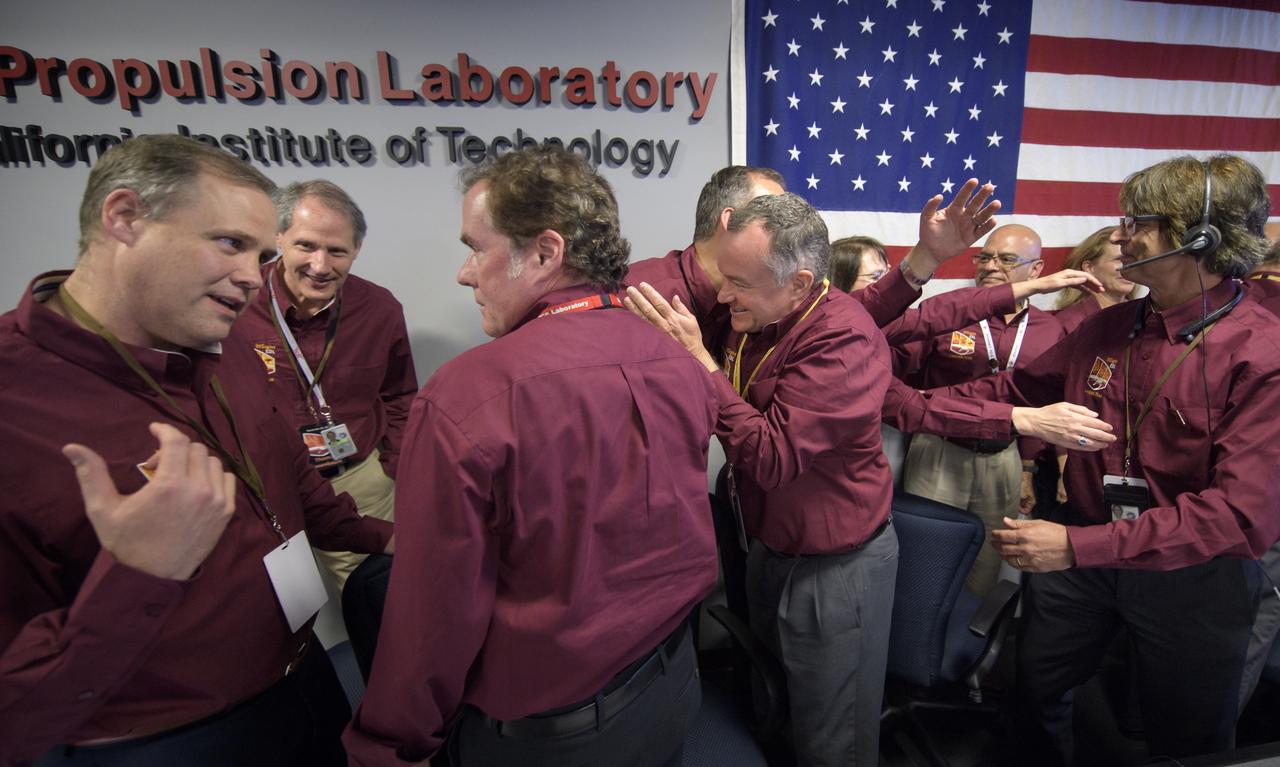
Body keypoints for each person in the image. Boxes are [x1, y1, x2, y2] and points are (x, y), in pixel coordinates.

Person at [0, 135, 393, 767]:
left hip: (304, 683)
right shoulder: (16, 401)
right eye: (230, 243)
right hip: (163, 741)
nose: (254, 276)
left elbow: (290, 481)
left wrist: (392, 538)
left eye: (262, 254)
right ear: (123, 217)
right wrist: (139, 574)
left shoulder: (228, 339)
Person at [343, 146, 719, 767]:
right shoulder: (680, 361)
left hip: (551, 738)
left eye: (476, 248)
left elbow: (432, 617)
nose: (465, 273)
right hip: (670, 686)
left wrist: (387, 747)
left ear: (545, 253)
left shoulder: (468, 396)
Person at [625, 187, 997, 767]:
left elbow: (772, 457)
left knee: (832, 738)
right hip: (770, 547)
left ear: (799, 284)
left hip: (835, 569)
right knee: (775, 705)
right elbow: (868, 303)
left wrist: (699, 362)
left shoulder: (842, 340)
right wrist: (923, 259)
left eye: (738, 284)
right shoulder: (768, 308)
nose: (722, 296)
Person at [941, 154, 1280, 764]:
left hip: (1194, 573)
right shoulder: (1112, 325)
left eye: (1137, 223)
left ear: (1200, 239)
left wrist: (1076, 547)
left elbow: (1238, 517)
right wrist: (898, 401)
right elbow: (1014, 391)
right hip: (1086, 552)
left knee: (1188, 734)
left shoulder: (1262, 351)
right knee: (1034, 688)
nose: (1120, 237)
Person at [227, 180, 417, 590]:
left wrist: (394, 468)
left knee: (380, 598)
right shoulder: (235, 302)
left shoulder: (379, 309)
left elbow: (400, 393)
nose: (320, 265)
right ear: (279, 238)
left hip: (356, 481)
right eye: (306, 246)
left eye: (337, 251)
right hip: (267, 487)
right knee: (284, 602)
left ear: (357, 250)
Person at [897, 223, 1065, 595]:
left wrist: (1027, 467)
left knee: (986, 565)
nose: (990, 266)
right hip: (940, 450)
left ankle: (970, 631)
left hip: (1003, 457)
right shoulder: (947, 313)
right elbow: (904, 376)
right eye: (985, 257)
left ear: (1036, 270)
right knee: (924, 564)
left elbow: (1042, 402)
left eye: (1006, 259)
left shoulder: (1049, 329)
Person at [1054, 226, 1139, 334]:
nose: (1130, 267)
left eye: (1134, 259)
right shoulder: (1070, 323)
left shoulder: (1146, 316)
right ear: (1089, 267)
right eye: (1120, 259)